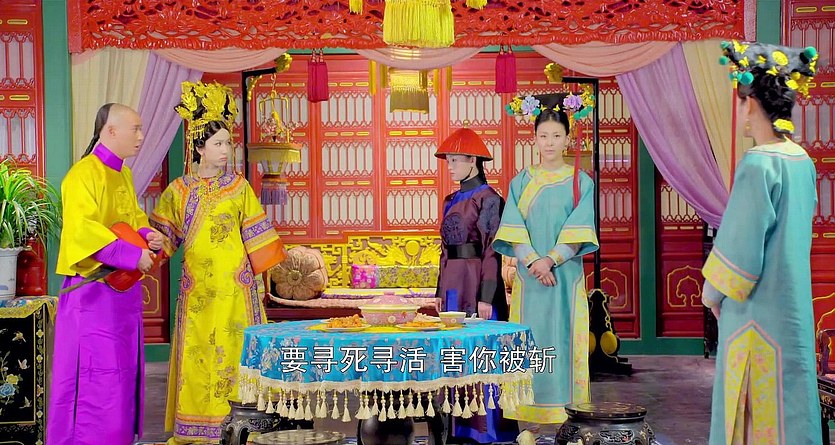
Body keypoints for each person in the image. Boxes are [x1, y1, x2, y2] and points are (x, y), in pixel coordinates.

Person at [150, 80, 287, 444]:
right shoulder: (178, 191)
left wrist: (263, 281)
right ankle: (197, 428)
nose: (226, 150)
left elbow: (259, 240)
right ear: (199, 147)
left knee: (237, 354)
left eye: (228, 143)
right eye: (218, 144)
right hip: (198, 292)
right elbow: (164, 241)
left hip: (236, 291)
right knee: (197, 354)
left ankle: (246, 425)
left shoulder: (239, 187)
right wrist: (150, 244)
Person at [701, 40, 821, 445]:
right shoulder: (802, 161)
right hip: (792, 309)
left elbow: (741, 247)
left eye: (740, 102)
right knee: (792, 397)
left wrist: (712, 293)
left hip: (755, 313)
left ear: (750, 103)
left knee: (753, 407)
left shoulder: (758, 163)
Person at [47, 103, 165, 445]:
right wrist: (132, 255)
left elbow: (132, 219)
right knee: (94, 376)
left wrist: (148, 235)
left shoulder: (122, 174)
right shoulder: (83, 174)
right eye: (135, 128)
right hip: (93, 294)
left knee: (120, 374)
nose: (141, 136)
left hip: (122, 292)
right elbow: (83, 231)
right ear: (110, 131)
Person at [493, 92, 599, 445]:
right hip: (530, 281)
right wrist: (533, 262)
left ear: (567, 138)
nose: (550, 142)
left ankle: (570, 418)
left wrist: (550, 259)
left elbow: (579, 230)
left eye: (556, 135)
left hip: (565, 279)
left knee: (564, 343)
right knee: (530, 345)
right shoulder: (521, 181)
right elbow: (513, 230)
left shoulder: (580, 182)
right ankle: (529, 424)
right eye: (543, 136)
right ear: (534, 139)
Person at [433, 127, 518, 444]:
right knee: (455, 353)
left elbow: (492, 250)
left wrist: (487, 296)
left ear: (474, 160)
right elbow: (444, 250)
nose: (451, 166)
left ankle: (487, 430)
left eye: (456, 160)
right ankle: (457, 428)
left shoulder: (490, 199)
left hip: (478, 279)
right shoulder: (450, 200)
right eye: (449, 161)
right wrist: (439, 291)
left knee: (481, 352)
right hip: (453, 283)